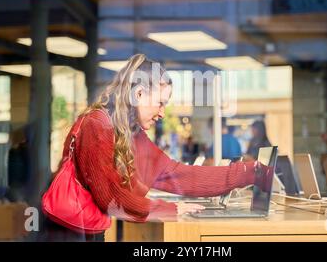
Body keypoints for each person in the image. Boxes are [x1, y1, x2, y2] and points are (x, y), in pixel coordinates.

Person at [39, 54, 270, 241]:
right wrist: (164, 208)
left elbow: (180, 175)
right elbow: (110, 198)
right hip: (65, 232)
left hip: (86, 230)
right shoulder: (97, 125)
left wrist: (249, 172)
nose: (162, 113)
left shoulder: (130, 134)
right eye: (160, 102)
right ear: (139, 94)